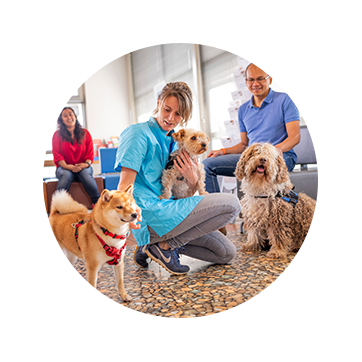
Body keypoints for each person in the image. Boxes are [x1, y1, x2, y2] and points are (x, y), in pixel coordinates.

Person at [115, 82, 240, 275]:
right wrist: (126, 220)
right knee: (232, 203)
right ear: (158, 102)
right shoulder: (137, 134)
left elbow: (184, 194)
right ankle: (164, 246)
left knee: (226, 253)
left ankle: (151, 247)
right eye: (167, 109)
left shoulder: (176, 141)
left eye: (178, 114)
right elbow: (124, 186)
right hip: (150, 213)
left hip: (172, 211)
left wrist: (192, 180)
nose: (171, 118)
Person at [202, 60, 301, 194]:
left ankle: (275, 209)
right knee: (207, 165)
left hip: (282, 156)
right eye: (251, 80)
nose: (255, 84)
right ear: (246, 81)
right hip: (253, 157)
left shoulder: (284, 100)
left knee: (269, 167)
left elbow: (294, 137)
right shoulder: (243, 110)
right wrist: (223, 151)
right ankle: (216, 210)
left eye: (260, 79)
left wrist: (273, 152)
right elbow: (244, 145)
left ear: (270, 79)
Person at [52, 107, 100, 206]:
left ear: (75, 116)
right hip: (64, 168)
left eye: (70, 114)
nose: (69, 117)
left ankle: (97, 203)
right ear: (61, 120)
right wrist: (68, 166)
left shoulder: (85, 133)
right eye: (65, 116)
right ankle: (58, 206)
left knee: (86, 174)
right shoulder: (57, 135)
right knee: (66, 174)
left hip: (83, 168)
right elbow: (57, 155)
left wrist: (85, 165)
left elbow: (90, 154)